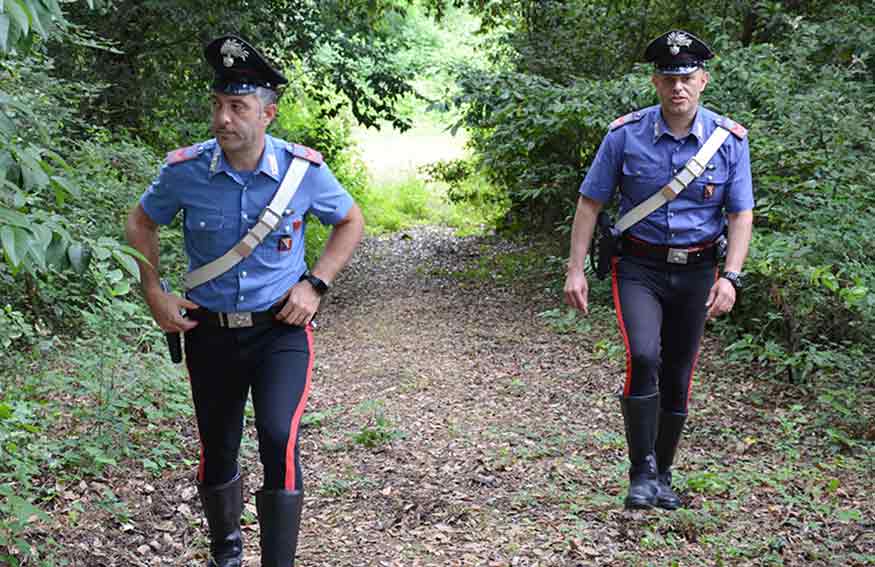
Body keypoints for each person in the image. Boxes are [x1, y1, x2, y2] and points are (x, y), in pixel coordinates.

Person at [125, 35, 364, 566]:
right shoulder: (185, 171)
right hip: (207, 331)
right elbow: (141, 221)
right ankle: (226, 552)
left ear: (268, 113)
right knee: (218, 443)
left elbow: (350, 220)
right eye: (218, 105)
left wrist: (316, 283)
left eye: (238, 107)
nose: (223, 119)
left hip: (280, 330)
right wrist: (153, 291)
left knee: (279, 435)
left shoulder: (302, 173)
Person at [563, 30, 753, 510]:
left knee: (678, 370)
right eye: (669, 79)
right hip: (638, 268)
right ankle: (640, 470)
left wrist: (730, 277)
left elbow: (740, 215)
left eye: (687, 78)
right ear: (655, 82)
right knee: (644, 356)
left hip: (696, 272)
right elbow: (590, 203)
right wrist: (576, 269)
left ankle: (663, 472)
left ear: (703, 80)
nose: (678, 88)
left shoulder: (728, 141)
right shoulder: (624, 135)